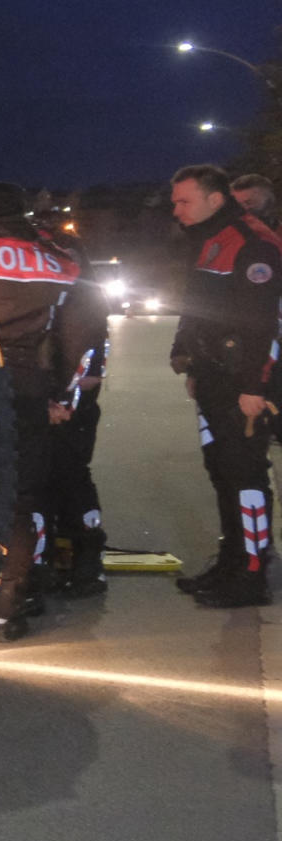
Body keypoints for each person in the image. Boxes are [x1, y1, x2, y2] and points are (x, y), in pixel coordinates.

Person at [0, 182, 103, 640]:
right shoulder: (59, 261)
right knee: (22, 500)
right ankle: (8, 610)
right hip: (30, 392)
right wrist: (61, 393)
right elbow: (79, 337)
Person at [168, 164, 282, 608]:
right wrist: (189, 358)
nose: (176, 209)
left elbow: (262, 324)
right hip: (215, 376)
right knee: (223, 472)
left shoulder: (252, 243)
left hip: (243, 382)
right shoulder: (211, 239)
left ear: (215, 199)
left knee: (246, 475)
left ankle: (251, 574)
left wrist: (257, 386)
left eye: (184, 200)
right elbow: (198, 305)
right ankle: (232, 561)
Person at [36, 213, 111, 597]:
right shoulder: (66, 266)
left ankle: (85, 560)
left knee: (68, 477)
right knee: (57, 479)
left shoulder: (66, 269)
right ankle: (59, 557)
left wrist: (65, 399)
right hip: (60, 393)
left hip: (67, 399)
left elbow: (85, 350)